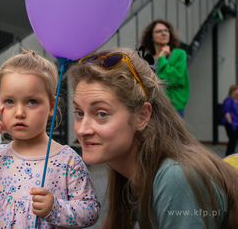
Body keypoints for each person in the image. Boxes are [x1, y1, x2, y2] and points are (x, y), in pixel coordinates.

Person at [68, 48, 238, 228]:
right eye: (79, 113)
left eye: (101, 114)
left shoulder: (176, 177)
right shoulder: (132, 174)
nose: (82, 129)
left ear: (142, 116)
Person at [0, 50, 100, 228]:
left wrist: (55, 208)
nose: (19, 113)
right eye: (9, 101)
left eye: (31, 101)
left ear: (51, 106)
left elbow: (90, 211)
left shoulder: (68, 160)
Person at [140, 19, 190, 118]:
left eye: (166, 30)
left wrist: (162, 58)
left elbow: (172, 79)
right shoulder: (146, 57)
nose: (164, 33)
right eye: (159, 31)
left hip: (173, 108)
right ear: (151, 37)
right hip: (151, 106)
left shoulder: (179, 54)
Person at [221, 84, 238, 156]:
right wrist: (230, 123)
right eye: (236, 90)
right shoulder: (229, 100)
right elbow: (226, 112)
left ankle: (231, 153)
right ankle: (229, 154)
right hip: (231, 123)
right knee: (232, 139)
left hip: (236, 123)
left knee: (234, 140)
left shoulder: (236, 100)